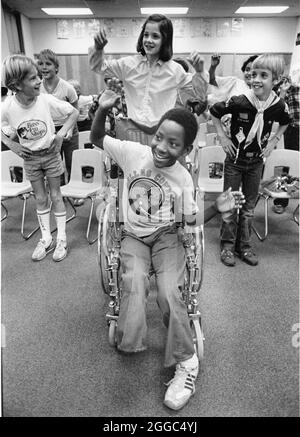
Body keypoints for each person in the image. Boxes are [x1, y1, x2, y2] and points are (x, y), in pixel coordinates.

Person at [90, 83, 245, 411]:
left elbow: (191, 219)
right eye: (159, 136)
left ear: (186, 150)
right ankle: (131, 338)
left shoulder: (182, 178)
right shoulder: (134, 152)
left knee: (169, 291)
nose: (161, 146)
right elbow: (96, 139)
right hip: (133, 236)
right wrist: (103, 110)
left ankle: (187, 362)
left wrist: (218, 206)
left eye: (173, 143)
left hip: (167, 236)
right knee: (132, 281)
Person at [210, 54, 291, 267]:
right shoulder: (240, 100)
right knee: (230, 205)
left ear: (276, 80)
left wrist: (274, 140)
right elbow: (214, 112)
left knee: (248, 208)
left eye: (263, 75)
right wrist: (222, 136)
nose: (255, 79)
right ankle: (227, 246)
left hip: (256, 163)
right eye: (253, 74)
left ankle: (243, 245)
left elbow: (286, 121)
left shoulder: (278, 105)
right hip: (235, 162)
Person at [1, 54, 79, 262]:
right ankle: (46, 238)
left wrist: (61, 134)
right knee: (41, 198)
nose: (39, 81)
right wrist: (11, 143)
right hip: (30, 158)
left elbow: (73, 112)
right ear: (16, 84)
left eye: (39, 76)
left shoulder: (45, 100)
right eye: (33, 78)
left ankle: (61, 237)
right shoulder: (8, 106)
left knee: (56, 195)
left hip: (51, 155)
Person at [88, 14, 208, 144]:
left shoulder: (174, 70)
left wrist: (200, 71)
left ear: (165, 40)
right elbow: (100, 68)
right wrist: (98, 49)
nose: (149, 40)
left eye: (155, 36)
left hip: (161, 133)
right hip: (132, 132)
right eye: (146, 35)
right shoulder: (129, 64)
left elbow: (198, 94)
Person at [35, 49, 79, 184]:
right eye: (41, 64)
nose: (43, 67)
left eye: (48, 64)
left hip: (68, 128)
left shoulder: (67, 88)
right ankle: (60, 192)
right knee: (55, 166)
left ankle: (74, 190)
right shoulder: (37, 88)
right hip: (50, 131)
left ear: (56, 67)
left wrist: (70, 130)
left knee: (72, 162)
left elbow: (75, 109)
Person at [272, 76, 300, 214]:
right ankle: (280, 200)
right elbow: (278, 110)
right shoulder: (289, 85)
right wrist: (283, 91)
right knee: (286, 166)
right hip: (293, 129)